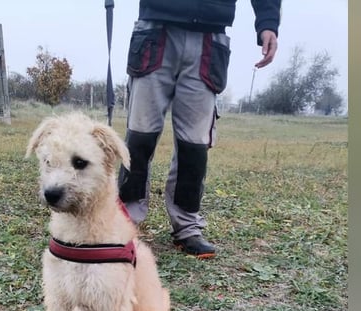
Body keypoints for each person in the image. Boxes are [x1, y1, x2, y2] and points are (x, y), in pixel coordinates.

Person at [118, 0, 281, 258]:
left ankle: (186, 227)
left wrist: (268, 23)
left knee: (194, 145)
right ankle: (123, 223)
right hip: (155, 32)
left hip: (209, 37)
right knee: (139, 136)